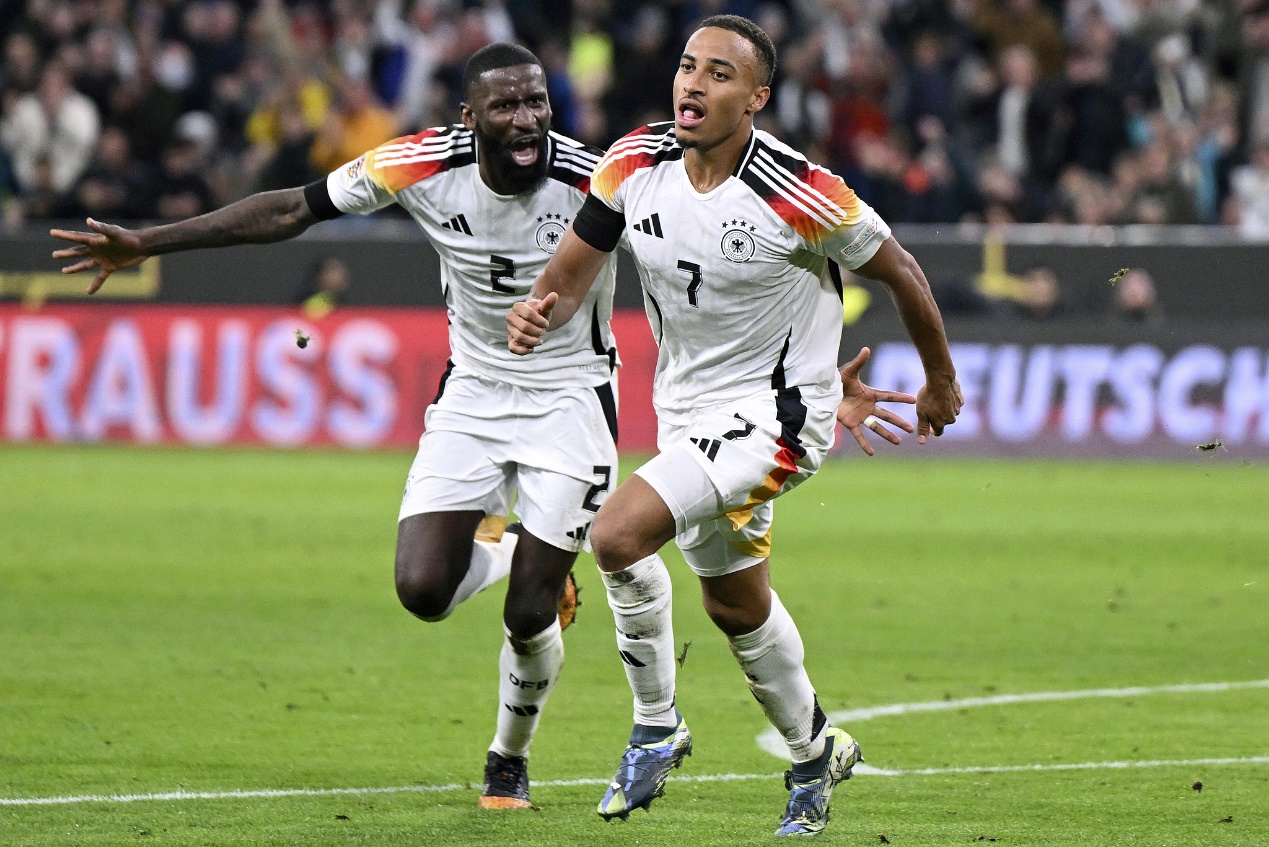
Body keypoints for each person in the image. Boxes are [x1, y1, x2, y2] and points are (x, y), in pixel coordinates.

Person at [51, 42, 619, 812]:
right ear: (470, 117)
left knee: (528, 610)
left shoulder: (598, 179)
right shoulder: (417, 162)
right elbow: (290, 208)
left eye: (536, 102)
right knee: (421, 589)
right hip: (475, 394)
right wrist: (149, 242)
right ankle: (520, 544)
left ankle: (506, 761)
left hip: (569, 396)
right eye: (506, 106)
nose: (526, 120)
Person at [507, 15, 962, 837]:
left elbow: (901, 271)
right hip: (687, 415)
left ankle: (655, 725)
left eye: (719, 74)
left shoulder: (800, 190)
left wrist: (938, 380)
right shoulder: (632, 163)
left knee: (614, 535)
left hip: (780, 418)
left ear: (756, 98)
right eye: (687, 67)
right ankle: (814, 748)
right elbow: (572, 272)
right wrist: (540, 310)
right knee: (732, 602)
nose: (693, 83)